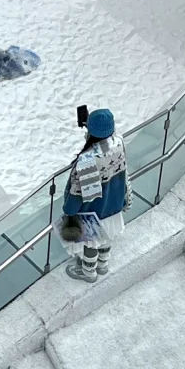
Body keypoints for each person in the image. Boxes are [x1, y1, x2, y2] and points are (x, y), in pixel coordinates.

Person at [62, 107, 130, 284]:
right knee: (107, 238)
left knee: (91, 244)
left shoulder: (87, 160)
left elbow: (78, 193)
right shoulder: (119, 143)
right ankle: (103, 265)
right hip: (114, 206)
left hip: (94, 212)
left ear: (90, 131)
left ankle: (88, 271)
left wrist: (69, 211)